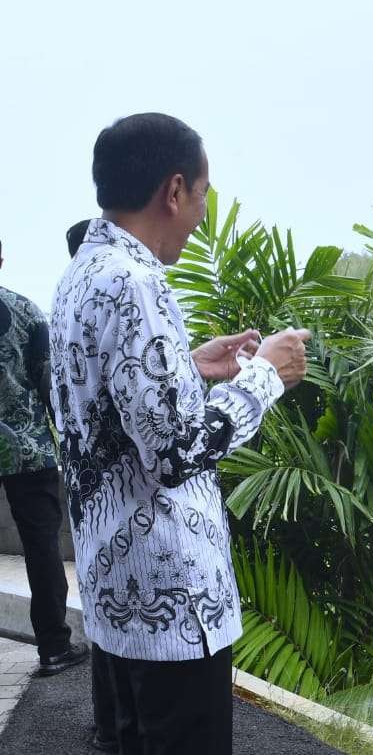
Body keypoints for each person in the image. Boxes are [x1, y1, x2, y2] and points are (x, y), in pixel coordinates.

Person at [50, 113, 311, 755]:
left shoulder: (83, 273)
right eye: (201, 194)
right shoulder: (139, 284)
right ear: (174, 191)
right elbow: (173, 453)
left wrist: (189, 367)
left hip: (114, 591)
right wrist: (265, 378)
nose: (200, 212)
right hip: (170, 602)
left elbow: (105, 407)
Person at [0, 240, 87, 677]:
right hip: (28, 454)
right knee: (42, 548)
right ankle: (54, 647)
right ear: (1, 257)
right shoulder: (26, 313)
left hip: (27, 453)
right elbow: (52, 389)